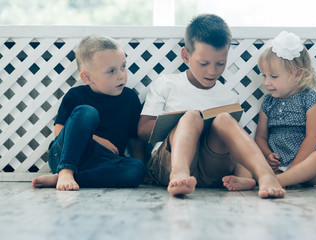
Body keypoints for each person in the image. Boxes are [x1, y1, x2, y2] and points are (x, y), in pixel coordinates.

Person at [138, 14, 286, 198]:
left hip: (213, 169)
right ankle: (179, 174)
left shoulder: (228, 96)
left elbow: (236, 144)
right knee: (192, 117)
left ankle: (265, 175)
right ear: (186, 55)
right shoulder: (166, 84)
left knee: (224, 119)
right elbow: (143, 130)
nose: (212, 71)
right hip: (169, 165)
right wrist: (182, 123)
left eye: (220, 63)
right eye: (203, 63)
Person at [32, 35, 146, 190]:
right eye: (111, 71)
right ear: (87, 77)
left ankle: (65, 178)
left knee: (136, 169)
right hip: (65, 154)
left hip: (104, 162)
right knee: (87, 112)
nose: (121, 75)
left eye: (123, 67)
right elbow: (59, 130)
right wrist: (97, 140)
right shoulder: (76, 95)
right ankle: (66, 171)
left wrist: (144, 172)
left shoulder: (130, 98)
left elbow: (135, 140)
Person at [254, 31, 316, 187]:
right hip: (277, 166)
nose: (267, 82)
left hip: (307, 169)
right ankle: (251, 179)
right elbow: (260, 137)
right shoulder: (268, 102)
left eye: (274, 76)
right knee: (246, 151)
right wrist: (268, 155)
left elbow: (312, 138)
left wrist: (294, 167)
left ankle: (277, 181)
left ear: (297, 74)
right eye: (264, 75)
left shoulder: (310, 100)